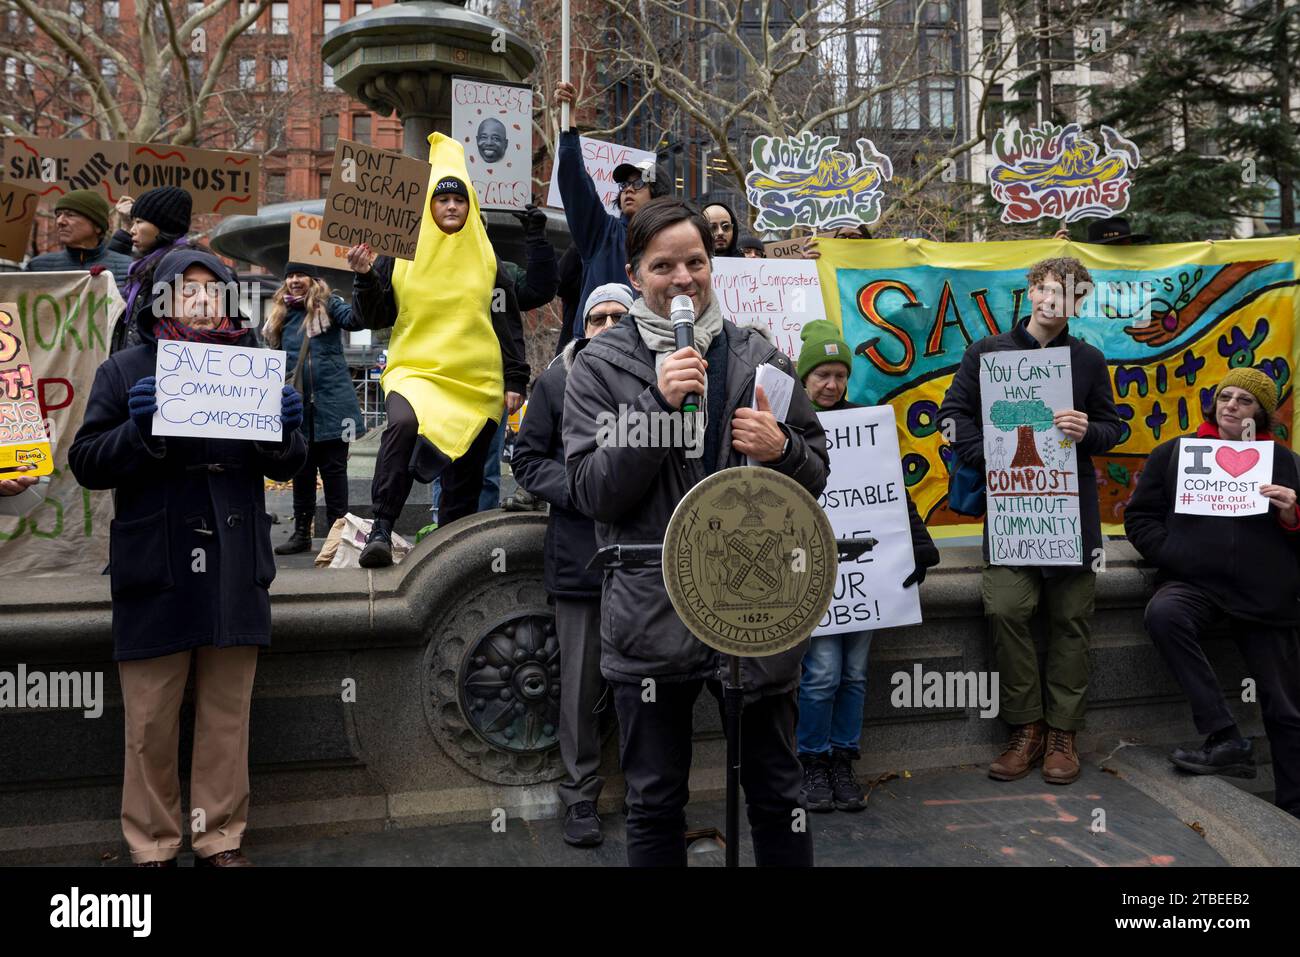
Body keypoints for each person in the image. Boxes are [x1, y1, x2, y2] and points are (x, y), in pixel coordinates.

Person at [563, 198, 830, 867]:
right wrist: (657, 407)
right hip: (653, 613)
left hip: (753, 607)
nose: (682, 278)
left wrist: (782, 449)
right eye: (663, 266)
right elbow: (593, 490)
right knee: (654, 799)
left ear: (711, 267)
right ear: (635, 273)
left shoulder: (759, 354)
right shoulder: (600, 367)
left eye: (694, 262)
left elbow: (816, 471)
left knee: (776, 788)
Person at [68, 247, 307, 867]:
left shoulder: (255, 364)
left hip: (233, 561)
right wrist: (137, 432)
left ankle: (219, 837)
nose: (201, 300)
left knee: (227, 716)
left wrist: (287, 432)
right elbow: (87, 463)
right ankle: (152, 844)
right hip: (160, 562)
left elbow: (285, 465)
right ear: (163, 300)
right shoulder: (124, 370)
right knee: (149, 720)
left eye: (213, 290)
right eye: (187, 290)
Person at [937, 256, 1123, 785]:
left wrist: (1089, 430)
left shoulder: (1088, 360)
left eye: (1066, 294)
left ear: (1078, 303)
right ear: (1031, 291)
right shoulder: (986, 352)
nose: (1052, 301)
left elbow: (1115, 429)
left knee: (1071, 622)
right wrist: (988, 452)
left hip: (1071, 516)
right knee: (1005, 609)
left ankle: (1064, 733)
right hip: (1013, 512)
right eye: (1045, 289)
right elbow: (952, 417)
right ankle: (1026, 728)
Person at [1124, 368, 1300, 819]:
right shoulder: (1175, 453)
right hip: (1195, 584)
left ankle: (1294, 809)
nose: (1232, 405)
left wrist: (1291, 513)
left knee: (1284, 707)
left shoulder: (1287, 463)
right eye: (1226, 396)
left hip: (1265, 597)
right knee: (1164, 614)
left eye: (1244, 400)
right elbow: (1140, 517)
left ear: (1259, 413)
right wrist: (1176, 553)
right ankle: (1224, 735)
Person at [346, 133, 524, 567]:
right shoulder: (398, 254)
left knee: (463, 476)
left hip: (475, 381)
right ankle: (381, 529)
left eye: (459, 200)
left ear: (470, 207)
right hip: (415, 370)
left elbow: (507, 318)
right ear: (428, 206)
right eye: (442, 200)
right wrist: (366, 276)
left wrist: (515, 378)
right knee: (403, 426)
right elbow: (374, 315)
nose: (450, 206)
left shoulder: (487, 258)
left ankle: (450, 559)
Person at [793, 320, 940, 812]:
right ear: (804, 377)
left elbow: (890, 495)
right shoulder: (787, 427)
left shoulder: (865, 425)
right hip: (812, 573)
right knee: (821, 673)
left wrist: (918, 546)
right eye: (822, 375)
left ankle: (842, 759)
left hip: (867, 576)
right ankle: (811, 761)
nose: (832, 384)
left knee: (854, 673)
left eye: (839, 375)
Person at [511, 282, 632, 847]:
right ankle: (581, 796)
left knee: (645, 685)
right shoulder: (555, 381)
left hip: (642, 563)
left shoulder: (660, 381)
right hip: (579, 560)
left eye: (618, 317)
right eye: (597, 318)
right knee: (579, 688)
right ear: (582, 326)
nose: (607, 326)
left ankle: (646, 792)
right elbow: (528, 460)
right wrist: (582, 490)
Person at [262, 262, 368, 554]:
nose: (295, 280)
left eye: (300, 275)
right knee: (302, 472)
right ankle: (301, 535)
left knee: (334, 472)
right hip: (297, 409)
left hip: (333, 405)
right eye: (290, 276)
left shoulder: (330, 305)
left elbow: (357, 320)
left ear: (312, 279)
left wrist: (363, 279)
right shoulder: (280, 315)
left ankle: (338, 539)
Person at [553, 80, 668, 337]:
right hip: (596, 355)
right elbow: (575, 180)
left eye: (638, 183)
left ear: (658, 192)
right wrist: (569, 118)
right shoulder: (602, 234)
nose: (628, 189)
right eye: (624, 185)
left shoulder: (672, 244)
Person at [476, 204, 558, 512]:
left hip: (489, 383)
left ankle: (475, 542)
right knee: (444, 465)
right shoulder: (430, 270)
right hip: (444, 382)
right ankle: (442, 538)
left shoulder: (502, 273)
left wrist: (536, 238)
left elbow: (540, 289)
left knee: (485, 468)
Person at [107, 187, 197, 353]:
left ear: (163, 224)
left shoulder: (183, 270)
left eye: (139, 222)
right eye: (132, 222)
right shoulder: (146, 266)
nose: (132, 230)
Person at [25, 189, 132, 290]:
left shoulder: (128, 268)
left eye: (70, 215)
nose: (60, 221)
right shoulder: (38, 267)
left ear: (97, 226)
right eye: (58, 215)